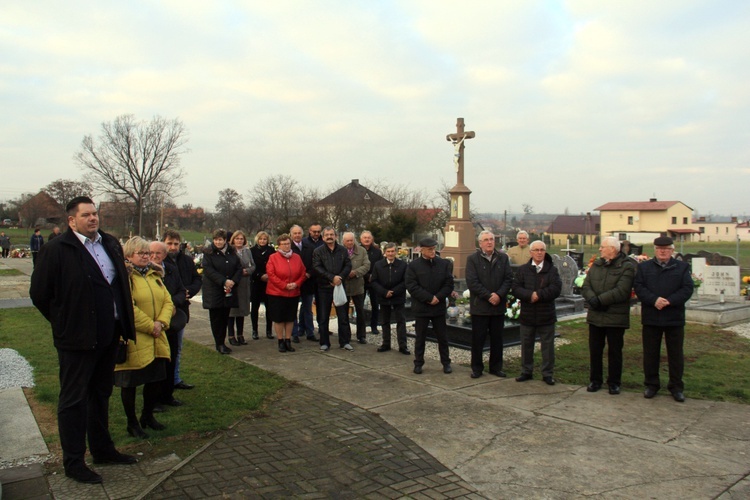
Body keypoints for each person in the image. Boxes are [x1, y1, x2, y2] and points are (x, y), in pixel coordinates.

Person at [30, 196, 137, 484]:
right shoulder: (57, 249)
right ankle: (74, 462)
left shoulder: (109, 243)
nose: (93, 218)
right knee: (73, 400)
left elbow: (116, 285)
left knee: (100, 394)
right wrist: (65, 323)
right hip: (76, 340)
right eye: (86, 215)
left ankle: (102, 450)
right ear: (71, 220)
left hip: (109, 335)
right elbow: (40, 294)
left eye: (95, 213)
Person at [116, 237, 174, 439]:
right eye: (140, 253)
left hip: (157, 336)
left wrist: (161, 323)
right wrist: (151, 326)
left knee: (155, 379)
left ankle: (147, 416)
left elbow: (168, 301)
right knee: (130, 383)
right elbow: (127, 307)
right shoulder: (125, 277)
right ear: (129, 255)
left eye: (147, 253)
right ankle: (132, 423)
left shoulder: (154, 275)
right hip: (135, 337)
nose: (145, 256)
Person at [634, 236, 693, 402]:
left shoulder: (681, 267)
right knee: (651, 353)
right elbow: (639, 287)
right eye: (660, 249)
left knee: (675, 355)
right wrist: (654, 300)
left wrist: (670, 301)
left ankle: (676, 387)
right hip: (652, 317)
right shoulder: (644, 267)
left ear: (672, 250)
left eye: (666, 249)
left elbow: (687, 288)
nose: (663, 251)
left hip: (674, 317)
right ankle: (651, 385)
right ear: (655, 250)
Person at [581, 237, 636, 395]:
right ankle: (595, 380)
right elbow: (586, 285)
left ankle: (614, 382)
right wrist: (592, 299)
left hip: (615, 317)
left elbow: (622, 291)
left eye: (602, 247)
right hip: (596, 316)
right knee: (595, 350)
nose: (600, 249)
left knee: (615, 351)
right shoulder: (597, 265)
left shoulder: (626, 267)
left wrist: (598, 300)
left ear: (612, 249)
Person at [512, 240, 562, 385]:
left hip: (546, 315)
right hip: (528, 315)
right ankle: (526, 371)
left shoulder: (552, 270)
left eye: (542, 250)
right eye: (536, 250)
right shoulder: (523, 270)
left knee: (547, 347)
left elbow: (556, 288)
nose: (539, 252)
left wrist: (538, 295)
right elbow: (515, 288)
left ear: (545, 252)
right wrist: (529, 295)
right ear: (531, 252)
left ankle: (547, 374)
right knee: (526, 345)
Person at [465, 230, 513, 378]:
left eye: (491, 239)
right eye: (486, 240)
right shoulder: (472, 259)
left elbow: (508, 279)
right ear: (480, 243)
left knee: (497, 340)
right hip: (480, 307)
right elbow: (472, 282)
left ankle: (496, 367)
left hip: (497, 307)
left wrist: (498, 295)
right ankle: (477, 368)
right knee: (478, 340)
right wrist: (488, 296)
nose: (489, 242)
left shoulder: (503, 258)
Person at [406, 237, 454, 374]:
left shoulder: (443, 264)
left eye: (434, 248)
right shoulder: (414, 266)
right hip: (422, 308)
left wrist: (437, 297)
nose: (433, 251)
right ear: (422, 250)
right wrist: (428, 298)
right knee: (420, 338)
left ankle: (446, 363)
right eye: (429, 249)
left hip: (438, 308)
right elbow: (412, 286)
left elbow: (448, 284)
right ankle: (418, 363)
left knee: (442, 338)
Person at [149, 241, 187, 409]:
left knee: (170, 357)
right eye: (151, 253)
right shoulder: (144, 272)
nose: (154, 257)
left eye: (158, 253)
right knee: (156, 361)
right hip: (152, 321)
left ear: (164, 255)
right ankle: (154, 399)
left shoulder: (171, 269)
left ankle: (167, 395)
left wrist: (171, 303)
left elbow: (181, 290)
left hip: (171, 320)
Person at [163, 229, 202, 391]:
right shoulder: (160, 260)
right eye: (169, 243)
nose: (172, 247)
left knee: (177, 347)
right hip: (164, 309)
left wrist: (187, 292)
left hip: (182, 308)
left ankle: (175, 378)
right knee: (164, 350)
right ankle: (162, 384)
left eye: (176, 244)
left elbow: (196, 279)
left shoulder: (186, 261)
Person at [312, 227, 354, 351]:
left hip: (340, 286)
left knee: (343, 316)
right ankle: (324, 342)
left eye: (332, 234)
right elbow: (317, 267)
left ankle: (344, 342)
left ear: (336, 236)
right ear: (323, 237)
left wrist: (339, 278)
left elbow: (348, 265)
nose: (329, 237)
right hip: (324, 287)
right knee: (324, 317)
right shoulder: (318, 251)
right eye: (327, 235)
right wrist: (331, 278)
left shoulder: (342, 250)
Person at [202, 229, 243, 354]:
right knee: (216, 319)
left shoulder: (231, 252)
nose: (218, 242)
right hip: (214, 291)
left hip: (228, 291)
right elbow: (209, 270)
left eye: (220, 240)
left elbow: (238, 268)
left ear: (225, 240)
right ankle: (219, 343)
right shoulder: (209, 253)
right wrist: (224, 281)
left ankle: (222, 341)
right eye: (216, 240)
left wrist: (233, 281)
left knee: (225, 317)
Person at [266, 234, 307, 352]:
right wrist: (284, 286)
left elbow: (302, 273)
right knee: (279, 318)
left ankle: (288, 340)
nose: (286, 246)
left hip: (293, 293)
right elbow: (271, 274)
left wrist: (296, 284)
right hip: (277, 293)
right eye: (283, 244)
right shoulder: (273, 258)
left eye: (288, 244)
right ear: (279, 245)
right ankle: (280, 341)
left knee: (290, 318)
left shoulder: (297, 257)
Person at [370, 242, 410, 355]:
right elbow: (374, 281)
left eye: (393, 251)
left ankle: (403, 345)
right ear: (384, 253)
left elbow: (406, 281)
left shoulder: (403, 265)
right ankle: (386, 343)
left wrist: (394, 292)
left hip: (398, 297)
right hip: (383, 297)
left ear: (396, 252)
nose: (391, 253)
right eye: (388, 251)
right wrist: (384, 292)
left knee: (401, 321)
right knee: (385, 321)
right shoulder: (378, 265)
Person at [227, 231, 255, 346]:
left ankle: (240, 334)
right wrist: (238, 272)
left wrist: (247, 271)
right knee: (232, 312)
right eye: (237, 238)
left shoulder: (247, 251)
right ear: (233, 240)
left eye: (241, 239)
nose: (239, 241)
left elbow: (253, 265)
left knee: (241, 311)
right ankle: (231, 335)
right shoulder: (229, 252)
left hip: (244, 283)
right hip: (233, 284)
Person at [343, 232, 370, 344]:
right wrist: (345, 273)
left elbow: (367, 265)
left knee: (360, 312)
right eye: (347, 241)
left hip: (358, 286)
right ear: (343, 241)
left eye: (351, 240)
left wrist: (356, 272)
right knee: (343, 313)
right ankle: (345, 335)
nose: (350, 243)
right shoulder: (339, 251)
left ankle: (361, 335)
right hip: (343, 286)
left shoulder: (362, 251)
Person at [298, 223, 323, 341]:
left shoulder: (323, 242)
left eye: (318, 231)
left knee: (321, 305)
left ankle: (321, 326)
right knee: (306, 305)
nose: (316, 233)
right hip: (308, 278)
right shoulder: (304, 243)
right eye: (314, 231)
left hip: (321, 278)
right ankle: (305, 329)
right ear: (309, 231)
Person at [250, 231, 275, 340]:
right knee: (255, 307)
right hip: (256, 281)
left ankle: (269, 330)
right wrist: (259, 275)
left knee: (269, 308)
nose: (262, 241)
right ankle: (254, 330)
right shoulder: (252, 251)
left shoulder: (271, 251)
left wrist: (269, 275)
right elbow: (251, 266)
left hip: (269, 282)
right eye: (260, 239)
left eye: (264, 239)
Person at [360, 230, 383, 335]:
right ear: (361, 239)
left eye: (368, 238)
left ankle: (374, 326)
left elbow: (380, 265)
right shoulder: (357, 250)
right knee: (360, 306)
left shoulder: (377, 251)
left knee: (375, 305)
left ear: (372, 239)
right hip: (361, 281)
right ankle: (361, 327)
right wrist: (366, 275)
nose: (367, 239)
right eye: (365, 238)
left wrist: (373, 276)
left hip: (374, 281)